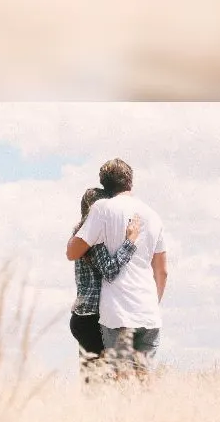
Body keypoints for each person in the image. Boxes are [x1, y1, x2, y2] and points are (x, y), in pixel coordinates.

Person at [66, 158, 168, 378]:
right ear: (130, 180)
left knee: (107, 380)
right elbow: (162, 271)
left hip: (108, 313)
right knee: (140, 379)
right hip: (141, 311)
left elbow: (73, 253)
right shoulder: (153, 215)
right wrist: (153, 300)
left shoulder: (97, 219)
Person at [70, 186, 141, 383]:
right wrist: (130, 241)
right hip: (94, 319)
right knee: (105, 383)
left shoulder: (80, 235)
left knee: (92, 383)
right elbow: (110, 270)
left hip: (83, 317)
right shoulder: (95, 237)